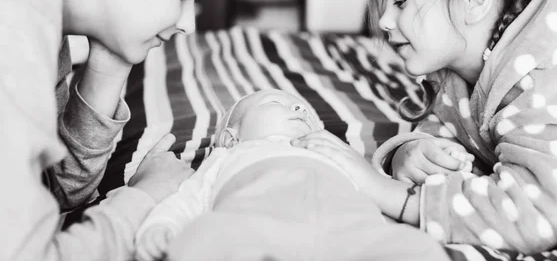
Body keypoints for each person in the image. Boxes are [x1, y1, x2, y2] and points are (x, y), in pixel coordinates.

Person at [292, 0, 557, 255]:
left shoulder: (549, 73)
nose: (385, 22)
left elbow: (534, 216)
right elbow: (445, 133)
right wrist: (407, 153)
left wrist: (395, 196)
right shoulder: (459, 63)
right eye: (383, 4)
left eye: (401, 2)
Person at [0, 0, 235, 260]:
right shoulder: (14, 22)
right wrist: (145, 196)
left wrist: (110, 62)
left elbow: (55, 189)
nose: (188, 25)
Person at [134, 89, 452, 261]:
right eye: (277, 103)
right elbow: (189, 197)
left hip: (348, 231)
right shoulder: (226, 157)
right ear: (233, 138)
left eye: (304, 110)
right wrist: (162, 226)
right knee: (204, 237)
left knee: (418, 249)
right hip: (255, 228)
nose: (299, 111)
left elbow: (377, 195)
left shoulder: (334, 152)